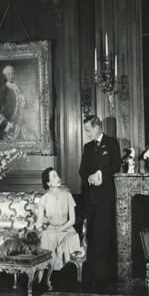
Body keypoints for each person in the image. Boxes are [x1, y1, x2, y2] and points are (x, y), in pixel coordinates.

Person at [79, 115, 121, 287]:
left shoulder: (111, 143)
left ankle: (106, 275)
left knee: (104, 234)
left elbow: (116, 164)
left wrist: (101, 174)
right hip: (90, 199)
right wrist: (89, 176)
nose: (87, 134)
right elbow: (82, 170)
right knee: (92, 235)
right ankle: (93, 275)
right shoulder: (87, 147)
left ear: (97, 127)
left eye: (88, 130)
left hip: (105, 198)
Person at [35, 167, 82, 272]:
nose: (58, 178)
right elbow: (39, 221)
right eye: (54, 176)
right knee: (47, 236)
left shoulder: (68, 195)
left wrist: (61, 229)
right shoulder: (44, 199)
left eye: (57, 175)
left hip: (67, 228)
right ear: (48, 183)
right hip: (52, 229)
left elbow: (72, 220)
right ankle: (47, 274)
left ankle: (59, 271)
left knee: (63, 238)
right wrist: (36, 228)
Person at [0, 64, 27, 140]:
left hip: (17, 124)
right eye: (9, 74)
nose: (11, 76)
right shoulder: (3, 88)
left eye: (12, 74)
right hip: (7, 124)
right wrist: (6, 124)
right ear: (5, 76)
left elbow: (23, 105)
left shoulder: (18, 88)